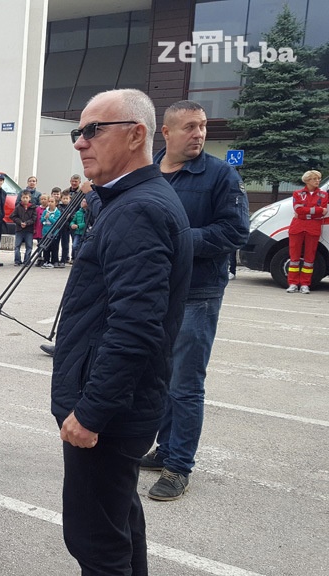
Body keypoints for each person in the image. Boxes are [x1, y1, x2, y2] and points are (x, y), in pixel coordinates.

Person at [53, 88, 192, 574]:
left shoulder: (138, 209)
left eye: (93, 130)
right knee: (119, 521)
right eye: (79, 131)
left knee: (96, 542)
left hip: (109, 412)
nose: (80, 142)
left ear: (136, 136)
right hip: (119, 404)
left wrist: (90, 414)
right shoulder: (131, 199)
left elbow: (135, 328)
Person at [143, 100, 250, 501]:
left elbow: (235, 231)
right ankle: (164, 449)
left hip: (198, 293)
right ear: (166, 132)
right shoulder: (148, 173)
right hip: (156, 293)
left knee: (186, 384)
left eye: (202, 126)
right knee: (160, 377)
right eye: (189, 127)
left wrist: (181, 241)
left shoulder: (220, 175)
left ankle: (178, 466)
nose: (199, 134)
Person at [283, 170, 326, 294]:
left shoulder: (323, 195)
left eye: (318, 178)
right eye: (314, 179)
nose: (317, 181)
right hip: (297, 227)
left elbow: (323, 211)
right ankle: (292, 283)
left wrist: (306, 211)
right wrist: (315, 211)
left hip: (313, 228)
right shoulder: (298, 193)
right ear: (307, 181)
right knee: (294, 257)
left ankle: (305, 284)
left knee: (309, 258)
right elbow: (298, 209)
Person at [11, 192, 34, 265]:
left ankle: (27, 261)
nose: (25, 199)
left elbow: (34, 218)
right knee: (17, 246)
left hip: (29, 230)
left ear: (29, 198)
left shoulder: (33, 208)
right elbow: (13, 216)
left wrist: (26, 223)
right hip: (19, 229)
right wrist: (20, 222)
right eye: (23, 197)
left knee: (29, 246)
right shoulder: (18, 207)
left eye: (26, 197)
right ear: (21, 198)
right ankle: (17, 260)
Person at [40, 196, 60, 268]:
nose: (50, 203)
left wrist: (49, 217)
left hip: (53, 233)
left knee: (54, 248)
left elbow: (56, 222)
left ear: (56, 203)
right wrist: (44, 217)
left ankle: (54, 261)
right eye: (49, 201)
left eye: (52, 202)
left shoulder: (57, 212)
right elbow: (41, 221)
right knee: (46, 248)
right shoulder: (45, 211)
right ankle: (46, 261)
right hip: (45, 232)